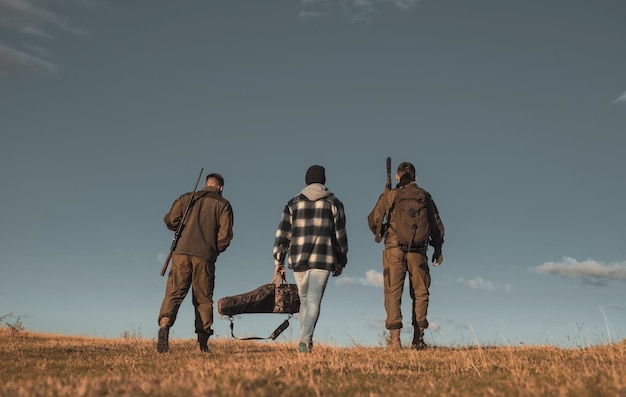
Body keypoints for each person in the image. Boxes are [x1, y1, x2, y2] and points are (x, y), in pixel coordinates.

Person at [367, 161, 444, 350]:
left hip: (394, 248)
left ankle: (395, 342)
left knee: (393, 291)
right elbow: (436, 226)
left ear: (397, 177)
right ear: (416, 178)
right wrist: (438, 249)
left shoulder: (390, 195)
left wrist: (385, 229)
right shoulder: (424, 196)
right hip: (418, 250)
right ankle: (418, 339)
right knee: (420, 292)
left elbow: (373, 221)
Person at [273, 165, 348, 353]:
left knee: (305, 300)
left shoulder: (292, 203)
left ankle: (305, 342)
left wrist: (278, 260)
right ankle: (305, 341)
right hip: (324, 257)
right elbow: (340, 235)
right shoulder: (334, 202)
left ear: (306, 181)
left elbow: (283, 234)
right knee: (313, 300)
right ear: (323, 181)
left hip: (298, 257)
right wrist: (341, 260)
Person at [157, 172, 234, 353]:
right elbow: (225, 236)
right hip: (205, 257)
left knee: (174, 293)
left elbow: (170, 220)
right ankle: (203, 343)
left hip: (181, 253)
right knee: (203, 299)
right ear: (221, 187)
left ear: (206, 184)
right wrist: (213, 249)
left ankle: (164, 326)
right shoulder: (224, 205)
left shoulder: (187, 197)